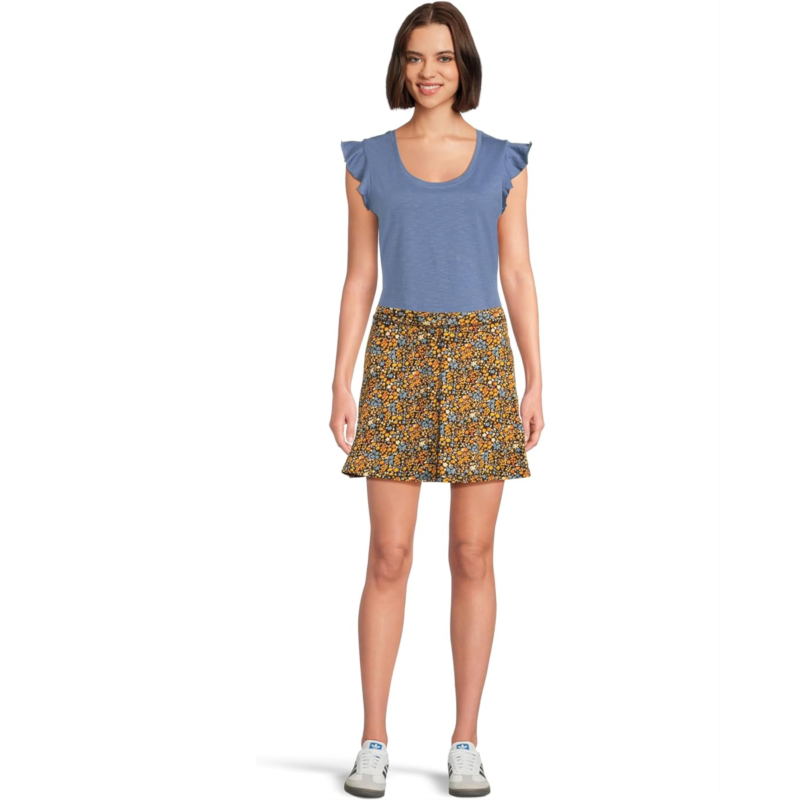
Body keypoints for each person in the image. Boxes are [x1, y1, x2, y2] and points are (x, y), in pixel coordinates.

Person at [330, 3, 544, 796]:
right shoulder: (368, 162)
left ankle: (465, 740)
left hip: (481, 353)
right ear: (400, 66)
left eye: (444, 58)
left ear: (464, 66)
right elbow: (360, 275)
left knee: (472, 553)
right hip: (397, 353)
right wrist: (341, 376)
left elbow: (516, 272)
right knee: (389, 554)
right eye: (416, 57)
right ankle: (373, 739)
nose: (429, 71)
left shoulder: (502, 163)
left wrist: (536, 376)